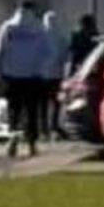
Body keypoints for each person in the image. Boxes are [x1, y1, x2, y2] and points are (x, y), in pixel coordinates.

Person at [0, 0, 52, 158]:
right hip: (33, 76)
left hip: (12, 76)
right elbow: (48, 52)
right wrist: (43, 70)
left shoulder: (8, 27)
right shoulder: (40, 28)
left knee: (14, 111)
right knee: (32, 111)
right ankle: (32, 144)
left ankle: (13, 141)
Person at [40, 11, 69, 140]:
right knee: (55, 102)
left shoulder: (40, 36)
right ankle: (54, 125)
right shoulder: (61, 37)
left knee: (43, 102)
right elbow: (65, 56)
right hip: (56, 74)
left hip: (42, 74)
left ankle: (43, 127)